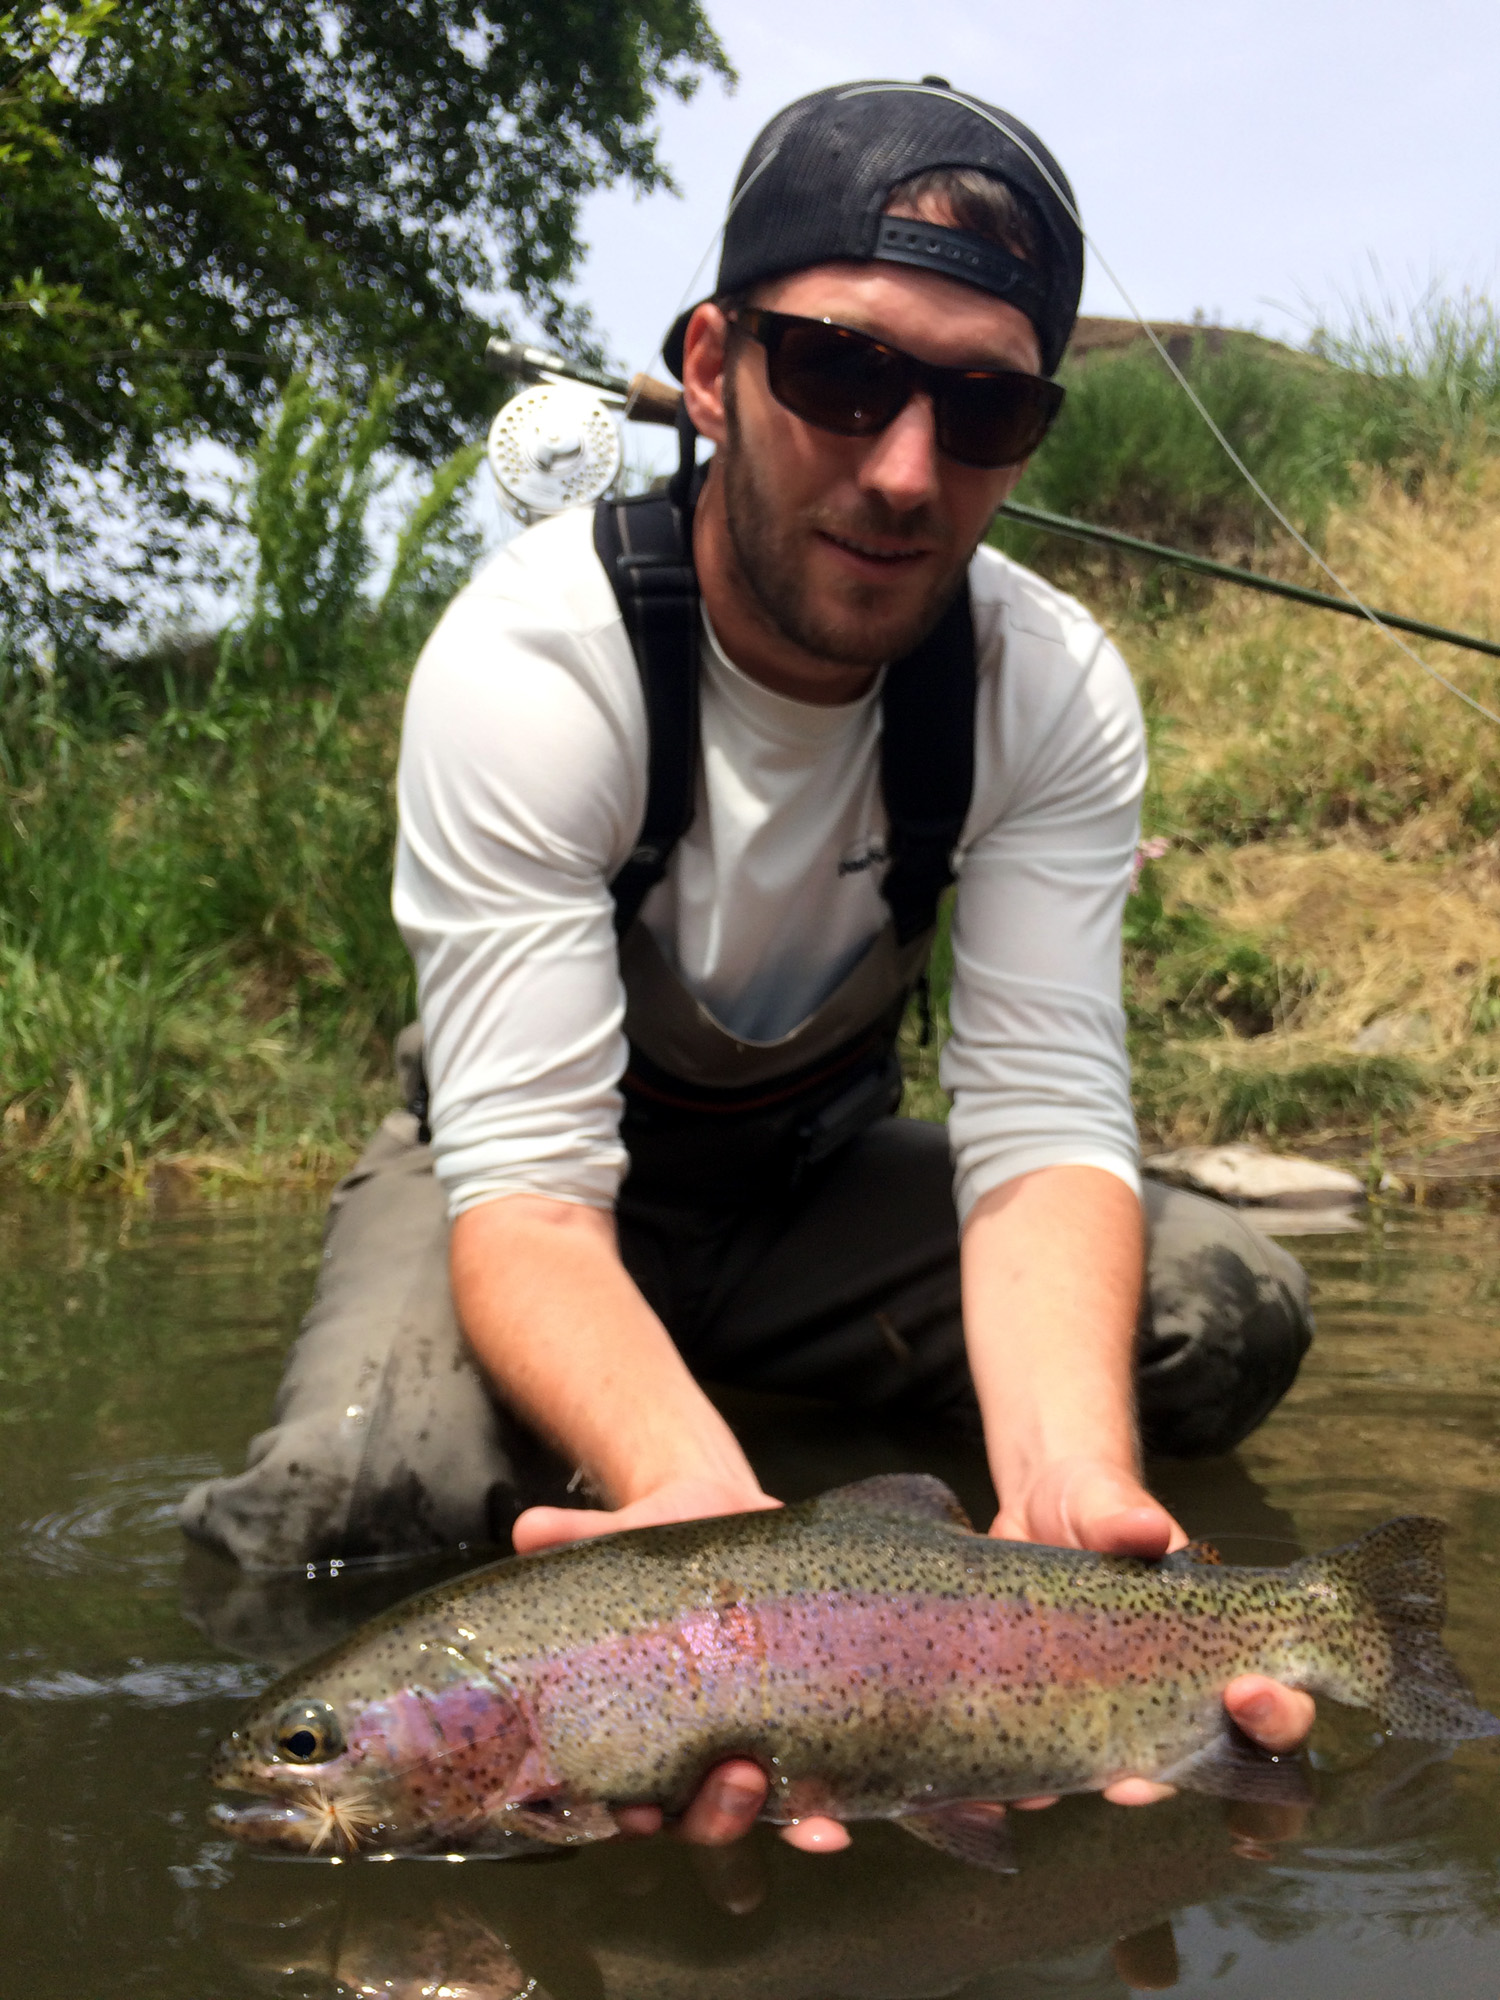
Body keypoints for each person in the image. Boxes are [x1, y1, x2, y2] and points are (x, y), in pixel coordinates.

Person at [183, 78, 1316, 1850]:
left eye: (987, 406)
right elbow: (537, 1201)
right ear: (711, 367)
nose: (905, 471)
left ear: (1034, 429)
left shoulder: (1051, 687)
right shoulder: (532, 668)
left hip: (803, 1199)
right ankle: (651, 1476)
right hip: (533, 1205)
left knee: (1216, 1312)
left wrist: (1068, 1485)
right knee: (331, 1507)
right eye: (844, 375)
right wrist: (705, 1526)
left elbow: (1040, 1132)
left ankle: (876, 1544)